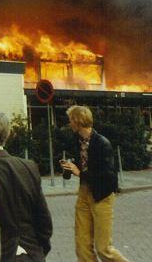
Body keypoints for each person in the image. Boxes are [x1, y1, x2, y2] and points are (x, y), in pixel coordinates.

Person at [0, 107, 52, 261]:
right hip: (31, 255)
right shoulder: (28, 167)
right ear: (6, 135)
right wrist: (38, 251)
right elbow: (44, 223)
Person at [61, 105, 130, 262]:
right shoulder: (76, 140)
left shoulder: (102, 143)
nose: (69, 123)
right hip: (84, 193)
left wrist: (80, 173)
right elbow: (81, 165)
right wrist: (69, 168)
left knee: (103, 249)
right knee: (82, 247)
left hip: (102, 196)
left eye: (71, 120)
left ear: (78, 122)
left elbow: (109, 178)